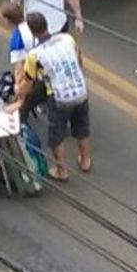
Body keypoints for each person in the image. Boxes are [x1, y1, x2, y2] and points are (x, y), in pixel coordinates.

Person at [17, 12, 91, 181]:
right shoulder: (67, 39)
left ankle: (61, 171)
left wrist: (19, 95)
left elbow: (27, 85)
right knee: (82, 128)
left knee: (57, 135)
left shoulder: (34, 56)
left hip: (59, 98)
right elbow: (79, 61)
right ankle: (85, 161)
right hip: (80, 90)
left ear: (32, 31)